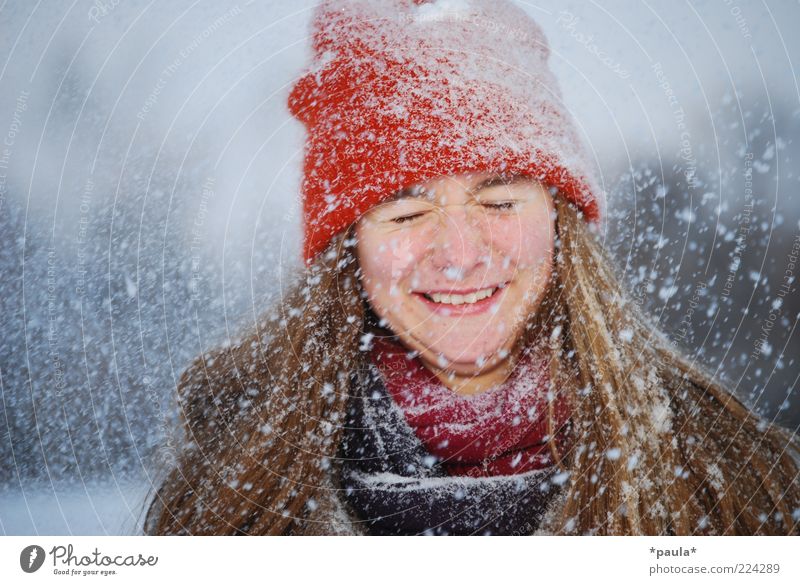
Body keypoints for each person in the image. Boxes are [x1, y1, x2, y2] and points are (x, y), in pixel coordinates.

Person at [143, 0, 800, 536]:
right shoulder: (230, 502)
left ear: (559, 223)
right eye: (404, 212)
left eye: (499, 199)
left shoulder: (738, 488)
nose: (459, 254)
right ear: (348, 251)